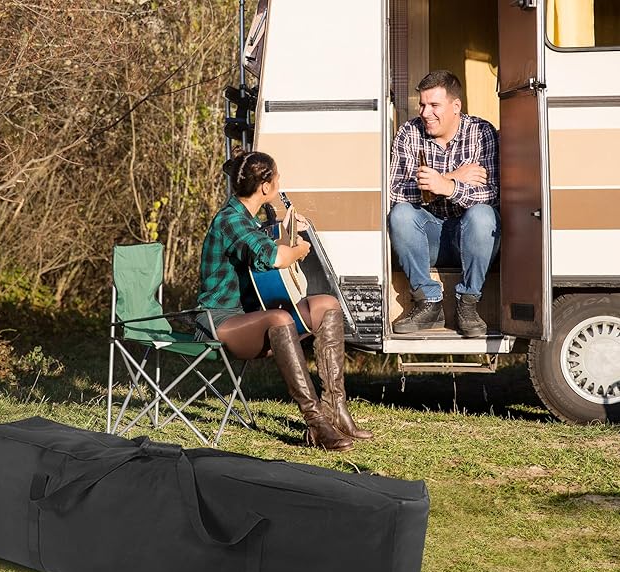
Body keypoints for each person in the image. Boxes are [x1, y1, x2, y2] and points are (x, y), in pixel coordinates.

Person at [195, 148, 373, 450]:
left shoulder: (247, 219)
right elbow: (274, 257)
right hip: (219, 320)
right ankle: (316, 423)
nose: (279, 183)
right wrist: (298, 250)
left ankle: (336, 409)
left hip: (250, 316)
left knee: (326, 305)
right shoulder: (230, 220)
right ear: (265, 187)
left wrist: (287, 230)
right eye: (277, 179)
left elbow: (259, 245)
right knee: (279, 318)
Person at [388, 70, 500, 337]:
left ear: (456, 106)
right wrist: (451, 178)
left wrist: (447, 186)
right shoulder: (409, 132)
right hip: (427, 239)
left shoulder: (481, 132)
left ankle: (468, 304)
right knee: (401, 214)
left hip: (471, 238)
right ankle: (428, 303)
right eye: (422, 104)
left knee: (483, 216)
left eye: (434, 105)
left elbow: (492, 194)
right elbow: (395, 192)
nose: (425, 112)